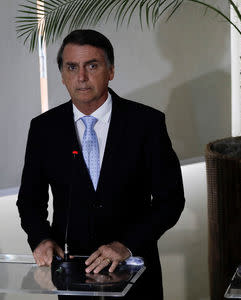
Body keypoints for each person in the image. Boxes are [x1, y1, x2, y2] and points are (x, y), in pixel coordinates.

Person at [16, 29, 185, 299]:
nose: (81, 77)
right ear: (62, 75)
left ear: (111, 70)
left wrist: (127, 245)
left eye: (91, 66)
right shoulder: (44, 129)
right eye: (72, 67)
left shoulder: (146, 124)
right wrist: (41, 238)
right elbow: (29, 201)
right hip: (72, 275)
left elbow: (171, 200)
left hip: (135, 275)